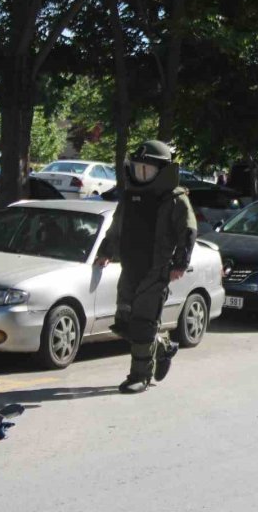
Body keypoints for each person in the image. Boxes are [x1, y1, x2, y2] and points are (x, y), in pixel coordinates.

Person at [95, 140, 198, 394]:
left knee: (142, 323)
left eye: (148, 170)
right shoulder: (130, 197)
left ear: (162, 172)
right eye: (139, 168)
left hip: (156, 269)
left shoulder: (175, 199)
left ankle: (139, 376)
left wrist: (179, 264)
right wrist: (106, 251)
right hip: (130, 266)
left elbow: (188, 231)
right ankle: (163, 347)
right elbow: (116, 227)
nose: (142, 174)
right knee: (124, 323)